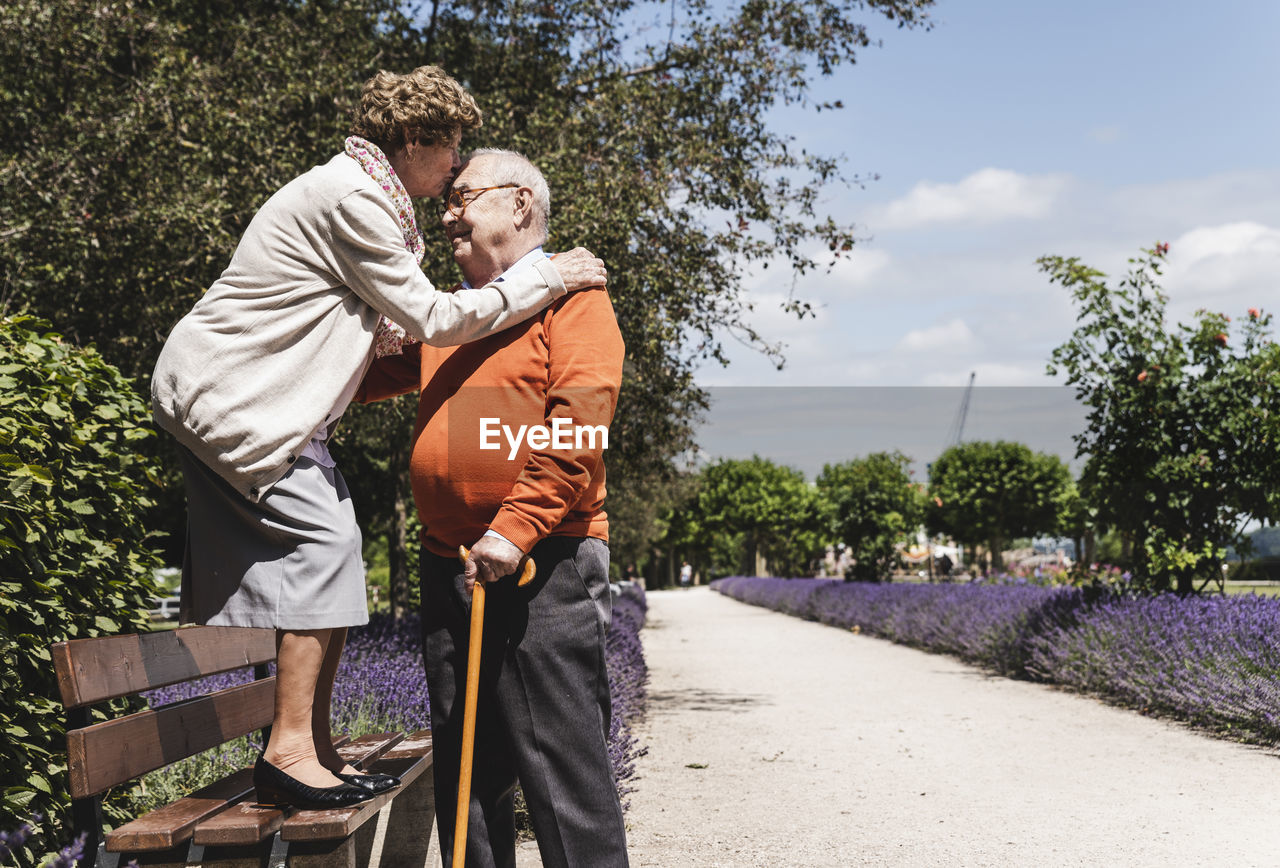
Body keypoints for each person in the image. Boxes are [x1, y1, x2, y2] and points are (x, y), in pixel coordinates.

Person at [150, 68, 607, 810]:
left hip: (247, 402)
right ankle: (291, 750)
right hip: (235, 402)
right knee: (326, 547)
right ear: (414, 139)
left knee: (332, 551)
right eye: (450, 146)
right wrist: (546, 278)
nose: (454, 164)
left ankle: (312, 748)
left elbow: (392, 351)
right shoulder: (354, 198)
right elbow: (433, 320)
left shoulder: (365, 199)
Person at [358, 148, 628, 866]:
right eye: (445, 200)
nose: (445, 211)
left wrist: (513, 531)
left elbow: (579, 425)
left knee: (561, 772)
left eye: (462, 196)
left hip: (542, 562)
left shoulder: (577, 299)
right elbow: (350, 374)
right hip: (450, 563)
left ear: (520, 205)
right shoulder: (452, 317)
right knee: (467, 773)